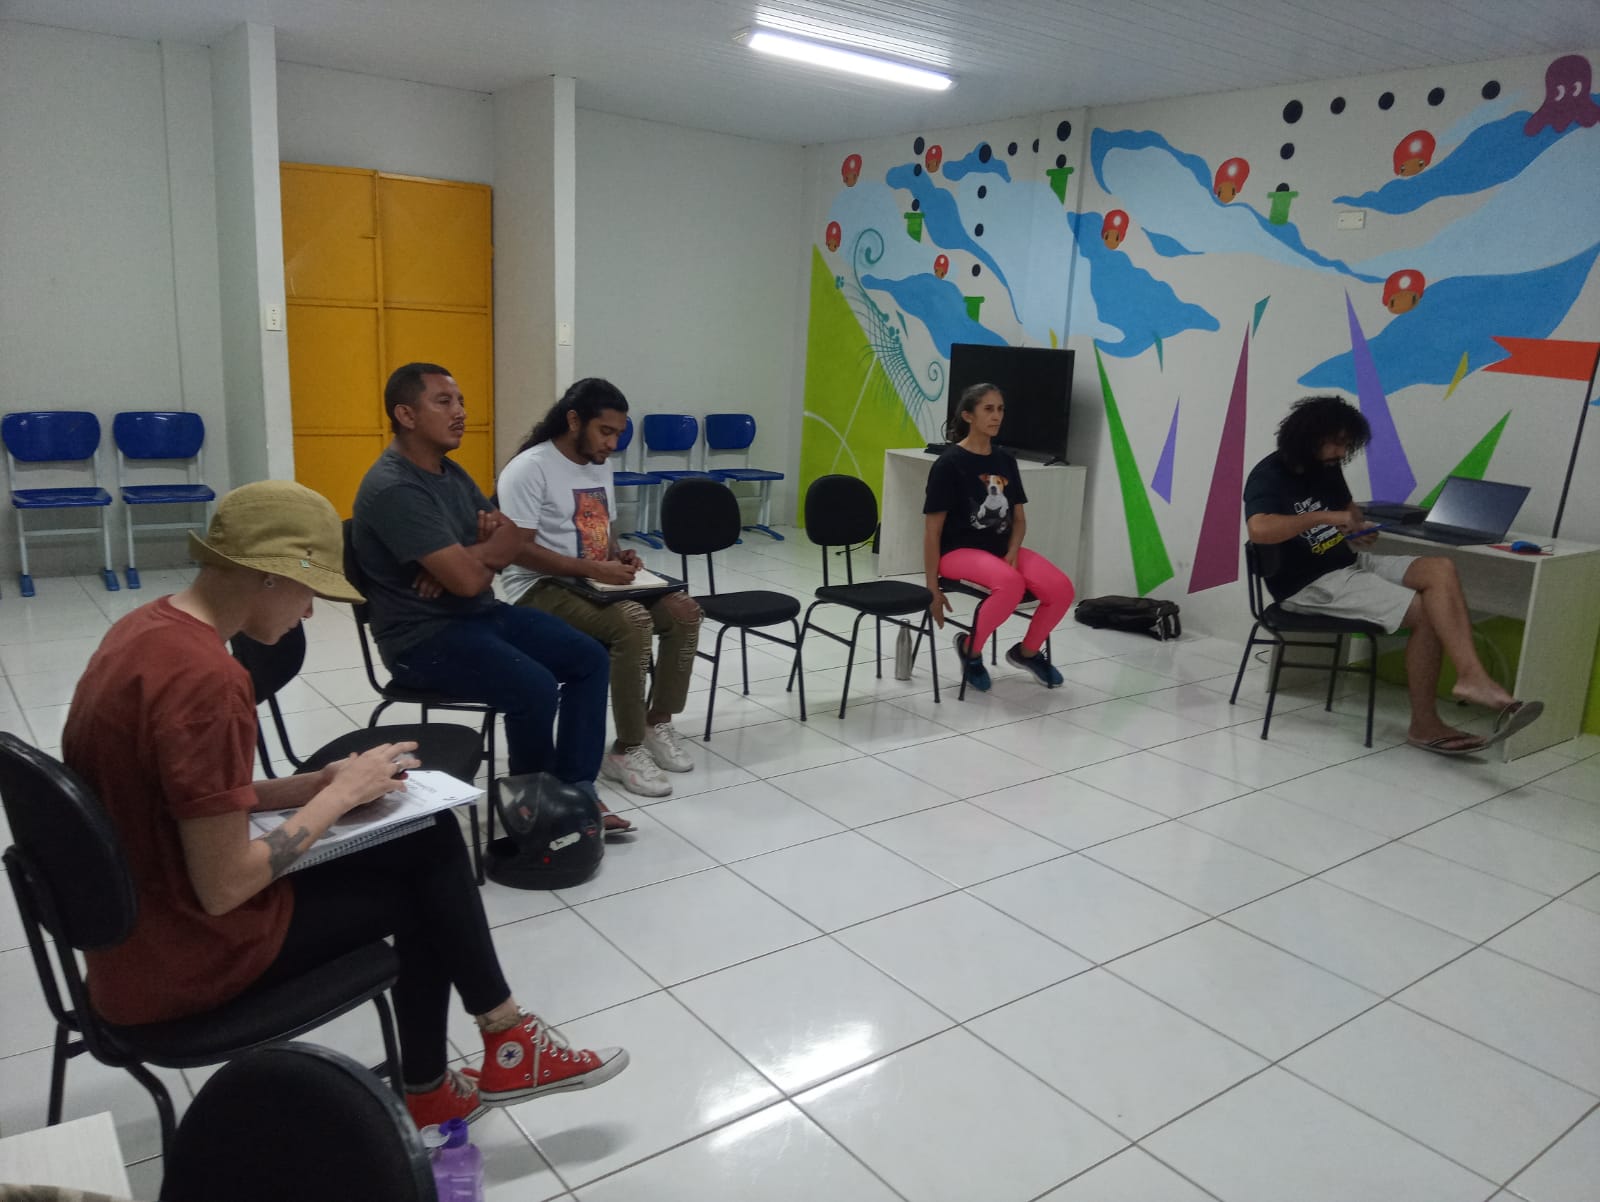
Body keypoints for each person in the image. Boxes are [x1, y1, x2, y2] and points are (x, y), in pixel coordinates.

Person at [60, 480, 628, 1131]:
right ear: (269, 574)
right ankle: (465, 1067)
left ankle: (495, 1046)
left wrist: (311, 786)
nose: (308, 612)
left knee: (426, 834)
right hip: (187, 958)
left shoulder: (145, 630)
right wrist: (338, 797)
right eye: (308, 590)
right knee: (424, 896)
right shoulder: (208, 682)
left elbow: (183, 801)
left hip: (138, 938)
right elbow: (224, 885)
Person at [349, 363, 630, 832]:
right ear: (406, 415)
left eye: (460, 401)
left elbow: (511, 537)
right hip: (421, 638)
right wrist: (474, 561)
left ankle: (577, 789)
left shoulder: (449, 472)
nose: (460, 412)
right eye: (444, 402)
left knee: (589, 658)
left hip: (477, 615)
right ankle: (535, 807)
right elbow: (473, 576)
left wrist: (468, 557)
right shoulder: (395, 487)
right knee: (535, 686)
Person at [1243, 394, 1543, 755]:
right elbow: (1260, 530)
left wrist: (1356, 530)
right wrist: (1324, 518)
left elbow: (1348, 513)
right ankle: (1424, 724)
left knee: (1440, 568)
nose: (1342, 452)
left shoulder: (1326, 467)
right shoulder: (1268, 475)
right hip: (1308, 585)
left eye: (1346, 444)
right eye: (1336, 442)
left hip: (1347, 564)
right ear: (1308, 437)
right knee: (1426, 613)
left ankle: (1471, 676)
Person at [497, 379, 702, 798]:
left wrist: (617, 555)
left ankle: (655, 723)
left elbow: (601, 527)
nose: (612, 443)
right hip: (538, 586)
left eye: (618, 434)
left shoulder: (599, 462)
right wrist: (594, 568)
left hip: (593, 580)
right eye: (605, 431)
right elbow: (517, 550)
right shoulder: (529, 468)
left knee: (685, 612)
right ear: (574, 421)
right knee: (632, 622)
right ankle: (625, 750)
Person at [924, 382, 1076, 692]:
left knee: (1061, 588)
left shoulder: (1005, 460)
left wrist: (1014, 549)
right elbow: (932, 531)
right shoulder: (948, 464)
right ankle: (970, 650)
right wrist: (932, 589)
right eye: (988, 409)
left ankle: (1027, 653)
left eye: (1001, 409)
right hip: (957, 552)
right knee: (1010, 584)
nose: (997, 416)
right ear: (968, 415)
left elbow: (1019, 519)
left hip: (1000, 548)